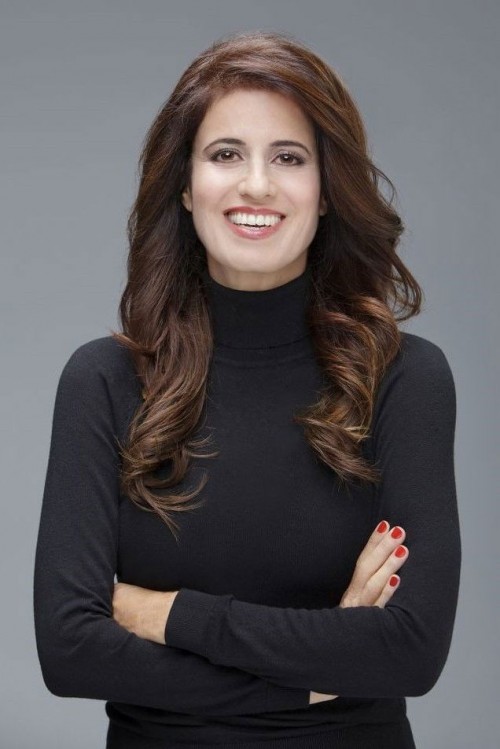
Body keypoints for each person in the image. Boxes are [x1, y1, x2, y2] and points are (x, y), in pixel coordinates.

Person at [33, 30, 461, 749]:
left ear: (327, 192)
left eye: (288, 157)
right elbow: (70, 651)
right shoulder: (103, 382)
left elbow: (410, 651)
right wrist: (317, 674)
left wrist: (167, 614)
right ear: (185, 185)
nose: (256, 185)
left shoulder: (404, 379)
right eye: (225, 154)